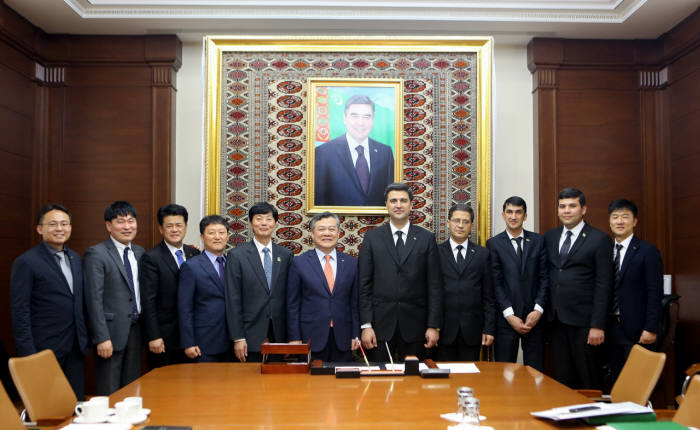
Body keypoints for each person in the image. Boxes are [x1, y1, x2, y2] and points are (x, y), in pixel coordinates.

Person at [10, 204, 89, 399]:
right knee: (50, 409)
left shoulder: (76, 259)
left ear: (70, 227)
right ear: (40, 229)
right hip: (44, 349)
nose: (59, 228)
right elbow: (20, 311)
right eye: (53, 224)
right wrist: (29, 355)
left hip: (75, 348)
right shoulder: (26, 262)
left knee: (75, 405)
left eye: (64, 224)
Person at [359, 183, 442, 361]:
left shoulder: (426, 239)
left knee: (413, 384)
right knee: (379, 382)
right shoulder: (372, 238)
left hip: (416, 327)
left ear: (411, 205)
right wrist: (366, 325)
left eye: (403, 200)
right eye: (393, 201)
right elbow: (364, 284)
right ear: (386, 205)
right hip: (379, 327)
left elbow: (434, 286)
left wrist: (433, 325)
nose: (398, 205)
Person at [544, 188, 613, 389]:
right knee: (562, 379)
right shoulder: (550, 237)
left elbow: (604, 284)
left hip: (585, 324)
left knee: (588, 379)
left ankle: (592, 420)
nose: (567, 210)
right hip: (556, 321)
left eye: (572, 206)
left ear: (583, 209)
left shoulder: (599, 239)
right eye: (562, 206)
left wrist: (597, 325)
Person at [84, 201, 145, 395]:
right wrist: (101, 337)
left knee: (132, 389)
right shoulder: (97, 253)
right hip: (110, 334)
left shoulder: (139, 252)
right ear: (109, 226)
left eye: (131, 221)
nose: (127, 226)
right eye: (120, 222)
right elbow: (93, 299)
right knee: (109, 390)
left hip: (136, 330)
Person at [287, 212, 360, 361]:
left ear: (339, 234)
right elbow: (292, 304)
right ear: (312, 234)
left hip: (343, 337)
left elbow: (355, 303)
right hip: (310, 337)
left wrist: (355, 334)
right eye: (321, 229)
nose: (327, 233)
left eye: (332, 229)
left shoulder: (352, 263)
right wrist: (295, 337)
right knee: (311, 383)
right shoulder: (299, 263)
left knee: (341, 383)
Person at [225, 202, 293, 362]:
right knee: (249, 385)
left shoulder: (285, 255)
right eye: (259, 219)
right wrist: (238, 337)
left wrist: (291, 336)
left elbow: (291, 297)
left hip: (279, 335)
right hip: (249, 335)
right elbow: (232, 299)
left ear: (275, 223)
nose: (264, 223)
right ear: (250, 223)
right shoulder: (237, 255)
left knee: (279, 384)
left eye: (269, 219)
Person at [486, 197, 548, 371]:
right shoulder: (493, 244)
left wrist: (538, 310)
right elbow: (496, 283)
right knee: (505, 374)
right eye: (509, 212)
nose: (513, 216)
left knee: (536, 373)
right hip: (506, 320)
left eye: (518, 212)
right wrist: (509, 315)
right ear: (503, 215)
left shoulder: (538, 241)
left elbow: (545, 278)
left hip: (534, 319)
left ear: (525, 216)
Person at [607, 199, 663, 382]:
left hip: (638, 330)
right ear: (610, 221)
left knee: (638, 382)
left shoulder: (648, 251)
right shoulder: (605, 251)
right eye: (615, 217)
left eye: (625, 217)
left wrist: (650, 328)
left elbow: (655, 292)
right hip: (611, 328)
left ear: (634, 221)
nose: (620, 221)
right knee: (616, 381)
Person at [139, 204, 200, 369]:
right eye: (169, 226)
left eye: (179, 225)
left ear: (186, 227)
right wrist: (153, 336)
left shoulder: (194, 253)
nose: (175, 229)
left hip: (191, 336)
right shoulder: (151, 258)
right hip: (164, 337)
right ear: (161, 229)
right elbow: (148, 300)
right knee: (164, 387)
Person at [437, 204, 496, 361]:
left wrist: (489, 329)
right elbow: (431, 292)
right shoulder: (436, 252)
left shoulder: (482, 254)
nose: (461, 225)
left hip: (472, 331)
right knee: (443, 380)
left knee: (470, 379)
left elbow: (489, 295)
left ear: (472, 225)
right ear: (448, 222)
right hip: (443, 330)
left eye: (465, 221)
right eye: (456, 220)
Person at [314, 94, 395, 207]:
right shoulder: (323, 153)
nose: (360, 123)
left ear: (372, 119)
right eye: (355, 116)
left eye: (366, 116)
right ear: (345, 118)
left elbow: (392, 196)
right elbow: (319, 200)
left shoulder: (385, 152)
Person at [178, 215, 232, 362]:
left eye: (221, 233)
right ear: (202, 237)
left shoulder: (233, 264)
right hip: (204, 342)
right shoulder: (191, 266)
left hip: (232, 342)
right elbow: (185, 308)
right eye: (211, 233)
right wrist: (188, 342)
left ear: (227, 236)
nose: (217, 237)